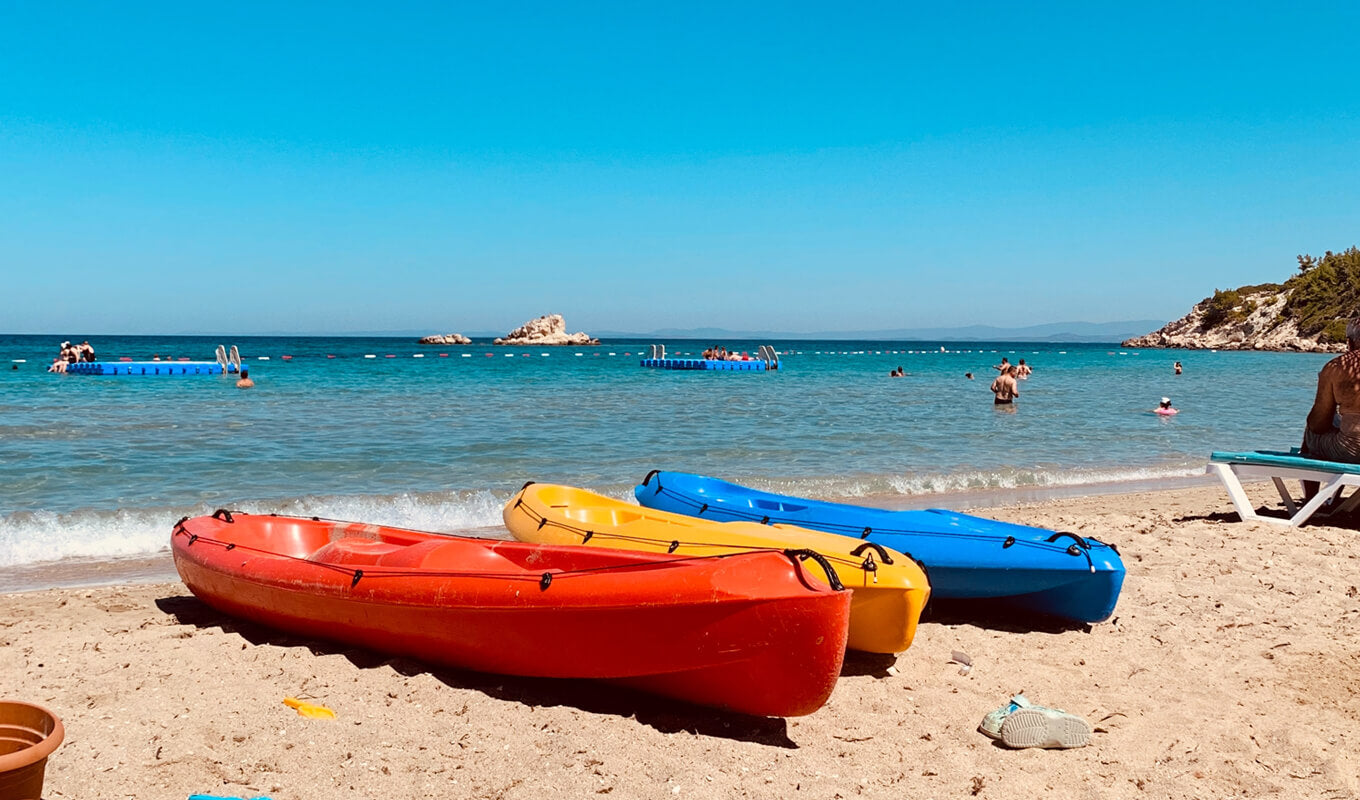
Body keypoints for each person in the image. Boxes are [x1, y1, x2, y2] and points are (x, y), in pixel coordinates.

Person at [1301, 318, 1360, 465]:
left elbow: (1317, 424)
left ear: (1350, 342)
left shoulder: (1336, 367)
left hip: (1350, 450)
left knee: (1311, 429)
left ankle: (1315, 489)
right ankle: (1335, 487)